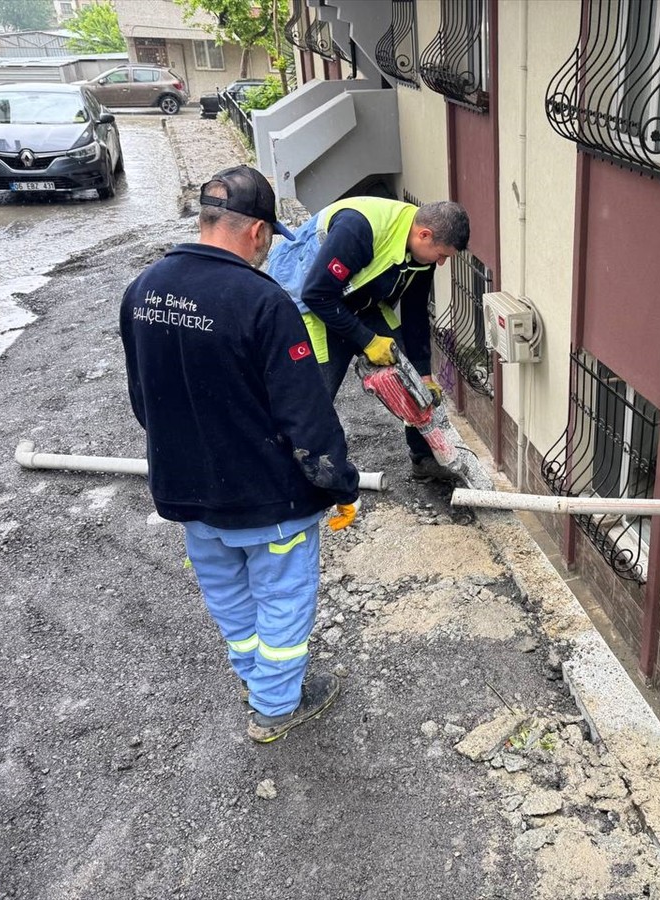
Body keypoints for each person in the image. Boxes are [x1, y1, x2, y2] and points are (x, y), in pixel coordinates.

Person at [120, 165, 360, 744]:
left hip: (188, 491)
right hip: (266, 498)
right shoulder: (262, 302)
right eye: (269, 240)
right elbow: (305, 415)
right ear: (256, 232)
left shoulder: (143, 288)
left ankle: (256, 679)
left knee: (227, 594)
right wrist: (340, 485)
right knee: (282, 599)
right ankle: (276, 708)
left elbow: (143, 398)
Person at [265, 196, 470, 482]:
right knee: (316, 396)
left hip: (362, 301)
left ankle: (423, 460)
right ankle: (289, 473)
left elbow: (415, 314)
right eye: (442, 254)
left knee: (409, 376)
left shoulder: (421, 250)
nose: (443, 262)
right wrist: (368, 341)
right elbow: (317, 294)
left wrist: (423, 373)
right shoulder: (359, 228)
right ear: (425, 234)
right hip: (314, 305)